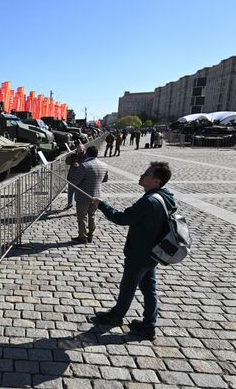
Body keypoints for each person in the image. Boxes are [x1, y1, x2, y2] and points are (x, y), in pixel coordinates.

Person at [90, 161, 175, 340]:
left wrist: (102, 205)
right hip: (153, 251)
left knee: (128, 286)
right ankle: (148, 325)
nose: (142, 175)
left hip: (140, 252)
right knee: (149, 288)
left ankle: (117, 316)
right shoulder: (166, 195)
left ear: (157, 181)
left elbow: (122, 218)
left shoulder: (149, 201)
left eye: (146, 174)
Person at [70, 146, 108, 244]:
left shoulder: (84, 165)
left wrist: (75, 170)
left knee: (82, 217)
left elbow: (75, 181)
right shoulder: (103, 165)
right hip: (97, 195)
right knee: (92, 215)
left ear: (87, 153)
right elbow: (105, 179)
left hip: (83, 195)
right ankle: (90, 235)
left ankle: (82, 236)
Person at [64, 143, 86, 209]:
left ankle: (80, 206)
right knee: (70, 191)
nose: (79, 151)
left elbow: (87, 164)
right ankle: (69, 203)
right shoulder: (74, 155)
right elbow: (67, 162)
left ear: (84, 149)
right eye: (78, 150)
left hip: (81, 178)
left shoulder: (86, 156)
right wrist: (69, 156)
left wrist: (79, 165)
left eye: (81, 150)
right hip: (72, 176)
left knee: (80, 194)